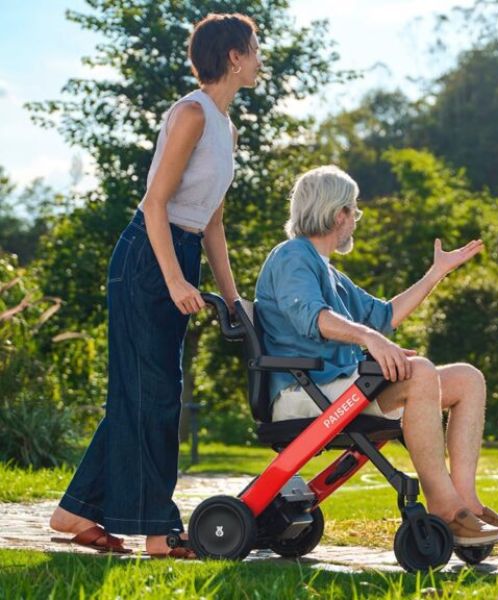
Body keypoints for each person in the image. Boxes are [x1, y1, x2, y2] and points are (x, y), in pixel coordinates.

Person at [49, 13, 261, 558]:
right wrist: (172, 280)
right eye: (255, 49)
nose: (261, 59)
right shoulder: (191, 113)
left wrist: (234, 299)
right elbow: (155, 204)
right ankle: (157, 531)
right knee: (156, 395)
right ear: (234, 56)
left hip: (178, 251)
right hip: (148, 254)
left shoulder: (226, 126)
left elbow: (211, 221)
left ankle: (74, 512)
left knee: (144, 394)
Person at [254, 165, 498, 547]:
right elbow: (313, 318)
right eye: (354, 211)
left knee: (467, 379)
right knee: (418, 372)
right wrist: (370, 339)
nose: (356, 219)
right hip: (305, 392)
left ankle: (467, 503)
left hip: (336, 391)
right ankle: (446, 511)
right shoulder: (291, 257)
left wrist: (436, 273)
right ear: (340, 215)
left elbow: (383, 317)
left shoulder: (328, 271)